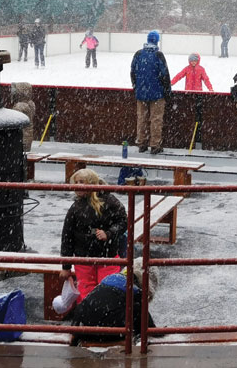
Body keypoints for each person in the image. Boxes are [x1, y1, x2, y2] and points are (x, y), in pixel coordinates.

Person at [60, 168, 127, 303]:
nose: (78, 185)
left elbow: (123, 221)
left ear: (91, 183)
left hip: (107, 255)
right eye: (76, 182)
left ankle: (104, 318)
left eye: (82, 182)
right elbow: (67, 236)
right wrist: (66, 266)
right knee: (86, 292)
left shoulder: (109, 201)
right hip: (84, 257)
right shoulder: (76, 207)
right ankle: (89, 318)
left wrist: (109, 233)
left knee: (108, 290)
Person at [70, 261, 157, 346]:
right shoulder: (135, 290)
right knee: (136, 314)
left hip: (82, 325)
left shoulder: (110, 279)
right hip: (108, 332)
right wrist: (155, 331)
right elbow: (146, 322)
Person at [130, 30, 171, 155]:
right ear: (157, 41)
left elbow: (133, 72)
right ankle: (155, 145)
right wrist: (167, 91)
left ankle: (142, 143)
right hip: (157, 93)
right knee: (156, 119)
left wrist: (136, 87)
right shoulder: (158, 55)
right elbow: (165, 75)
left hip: (141, 93)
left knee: (141, 118)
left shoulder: (138, 54)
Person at [11, 82, 35, 154]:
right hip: (28, 136)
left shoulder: (20, 106)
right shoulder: (30, 103)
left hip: (21, 137)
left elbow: (13, 120)